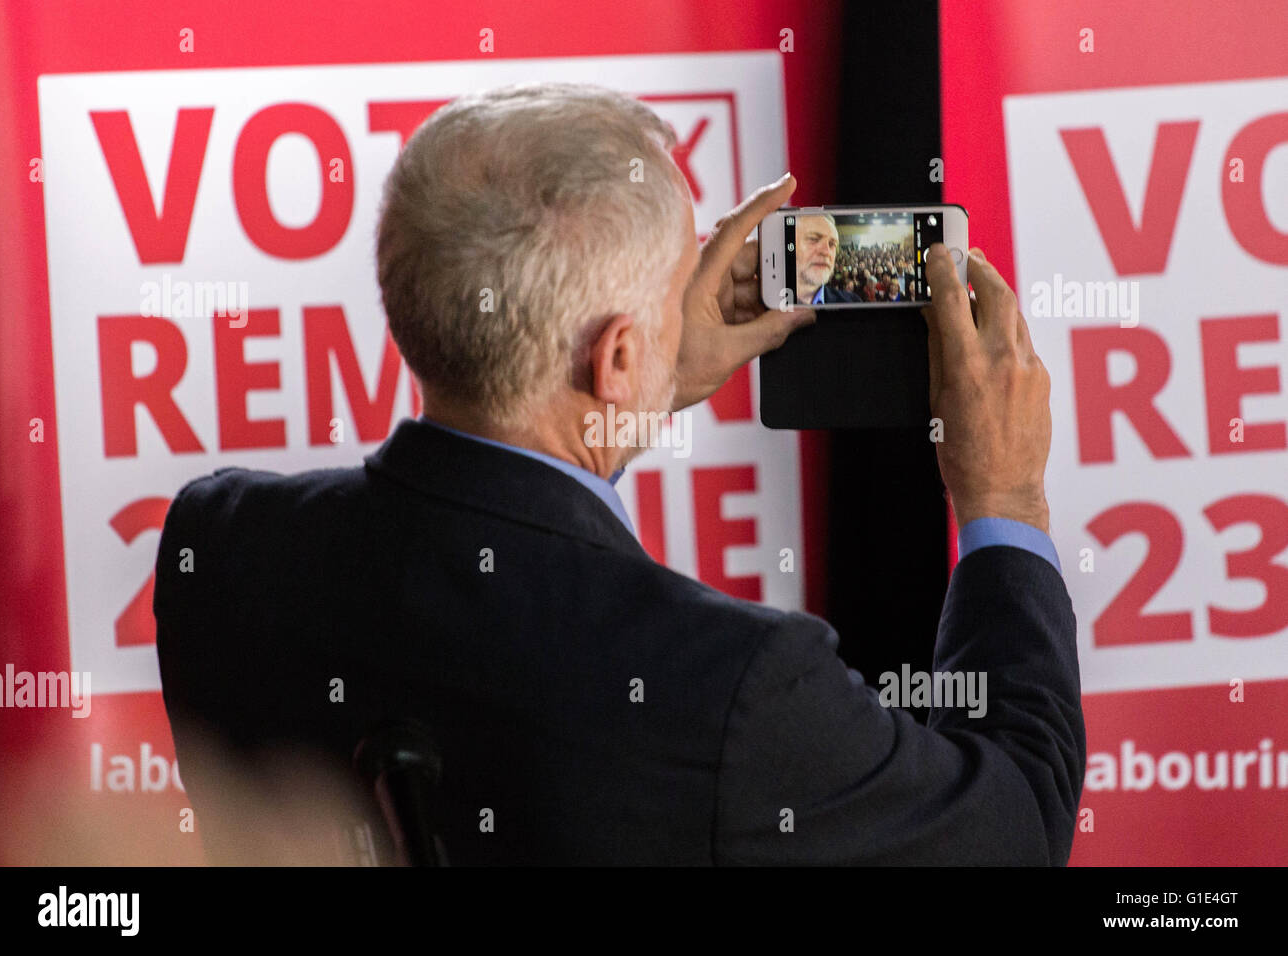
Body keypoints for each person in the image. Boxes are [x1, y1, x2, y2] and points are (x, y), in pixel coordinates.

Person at [154, 81, 1084, 865]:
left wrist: (634, 386)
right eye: (682, 283)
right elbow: (1017, 825)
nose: (697, 299)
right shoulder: (740, 687)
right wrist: (1005, 500)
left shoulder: (220, 546)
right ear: (615, 355)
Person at [793, 213, 859, 304]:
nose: (827, 252)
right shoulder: (767, 306)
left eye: (832, 244)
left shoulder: (852, 302)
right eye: (813, 239)